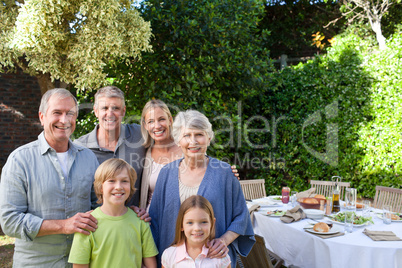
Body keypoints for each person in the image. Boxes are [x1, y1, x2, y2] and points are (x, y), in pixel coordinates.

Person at [0, 88, 99, 267]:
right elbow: (10, 221)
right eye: (57, 112)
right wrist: (63, 225)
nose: (64, 120)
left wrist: (129, 212)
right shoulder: (20, 160)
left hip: (82, 263)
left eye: (70, 113)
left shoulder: (89, 158)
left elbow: (99, 207)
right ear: (42, 117)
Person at [149, 110, 254, 267]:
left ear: (209, 138)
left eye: (199, 134)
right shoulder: (166, 173)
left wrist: (224, 240)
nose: (193, 141)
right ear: (178, 140)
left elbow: (241, 216)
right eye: (186, 135)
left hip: (213, 260)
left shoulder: (224, 172)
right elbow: (155, 220)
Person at [140, 100, 239, 211]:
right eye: (151, 121)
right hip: (154, 218)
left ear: (170, 120)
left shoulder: (190, 148)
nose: (157, 126)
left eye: (162, 119)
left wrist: (227, 174)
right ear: (145, 125)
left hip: (194, 217)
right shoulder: (143, 154)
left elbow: (209, 175)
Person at [68, 158, 158, 268]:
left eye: (124, 181)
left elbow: (151, 265)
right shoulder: (87, 224)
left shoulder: (140, 222)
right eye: (111, 181)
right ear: (100, 187)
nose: (118, 187)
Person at [75, 86, 145, 207]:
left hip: (133, 220)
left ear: (123, 111)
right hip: (96, 222)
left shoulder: (140, 135)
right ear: (96, 111)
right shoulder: (80, 147)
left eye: (116, 108)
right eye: (105, 108)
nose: (110, 114)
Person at [162, 195, 231, 268]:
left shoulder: (220, 257)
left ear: (212, 223)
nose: (197, 228)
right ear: (181, 225)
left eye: (204, 222)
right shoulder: (169, 255)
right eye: (190, 223)